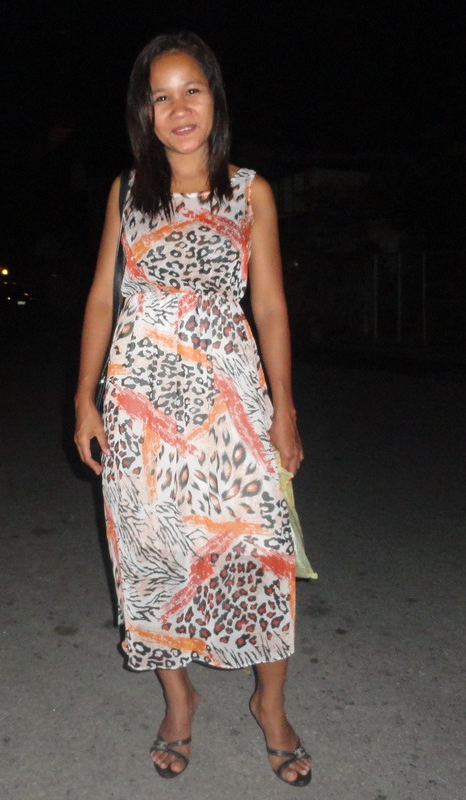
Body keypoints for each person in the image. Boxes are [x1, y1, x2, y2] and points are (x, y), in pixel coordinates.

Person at [74, 31, 312, 787]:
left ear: (214, 99)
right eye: (160, 96)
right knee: (150, 557)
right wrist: (83, 399)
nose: (178, 109)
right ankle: (179, 703)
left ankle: (270, 706)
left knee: (260, 550)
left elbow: (269, 307)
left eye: (191, 91)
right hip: (139, 406)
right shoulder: (126, 191)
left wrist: (284, 409)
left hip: (231, 405)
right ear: (143, 112)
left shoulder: (250, 191)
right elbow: (103, 298)